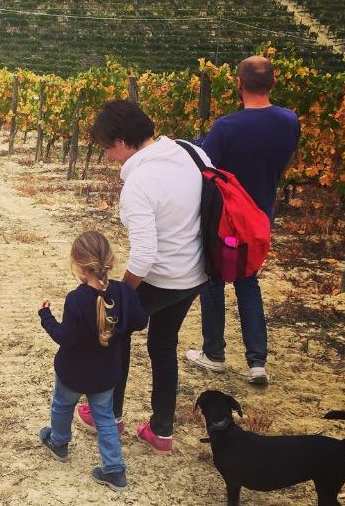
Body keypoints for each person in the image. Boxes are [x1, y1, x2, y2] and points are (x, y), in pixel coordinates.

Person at [76, 101, 211, 454]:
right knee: (163, 345)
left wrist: (122, 293)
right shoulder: (191, 152)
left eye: (107, 147)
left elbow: (146, 255)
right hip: (195, 273)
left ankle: (109, 415)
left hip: (161, 277)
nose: (107, 156)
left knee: (114, 337)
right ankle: (161, 432)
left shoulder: (140, 182)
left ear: (121, 141)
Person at [186, 55, 300, 386]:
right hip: (261, 217)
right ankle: (257, 363)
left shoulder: (226, 127)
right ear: (273, 83)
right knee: (248, 280)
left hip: (224, 219)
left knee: (213, 278)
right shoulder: (290, 121)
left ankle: (214, 354)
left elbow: (207, 167)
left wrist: (196, 145)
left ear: (238, 84)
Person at [38, 231, 148, 492]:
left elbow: (66, 338)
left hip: (72, 372)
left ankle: (59, 442)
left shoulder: (77, 299)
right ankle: (114, 469)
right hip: (106, 373)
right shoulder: (123, 292)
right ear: (108, 260)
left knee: (62, 406)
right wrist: (119, 326)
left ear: (78, 266)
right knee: (105, 418)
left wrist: (46, 317)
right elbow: (141, 321)